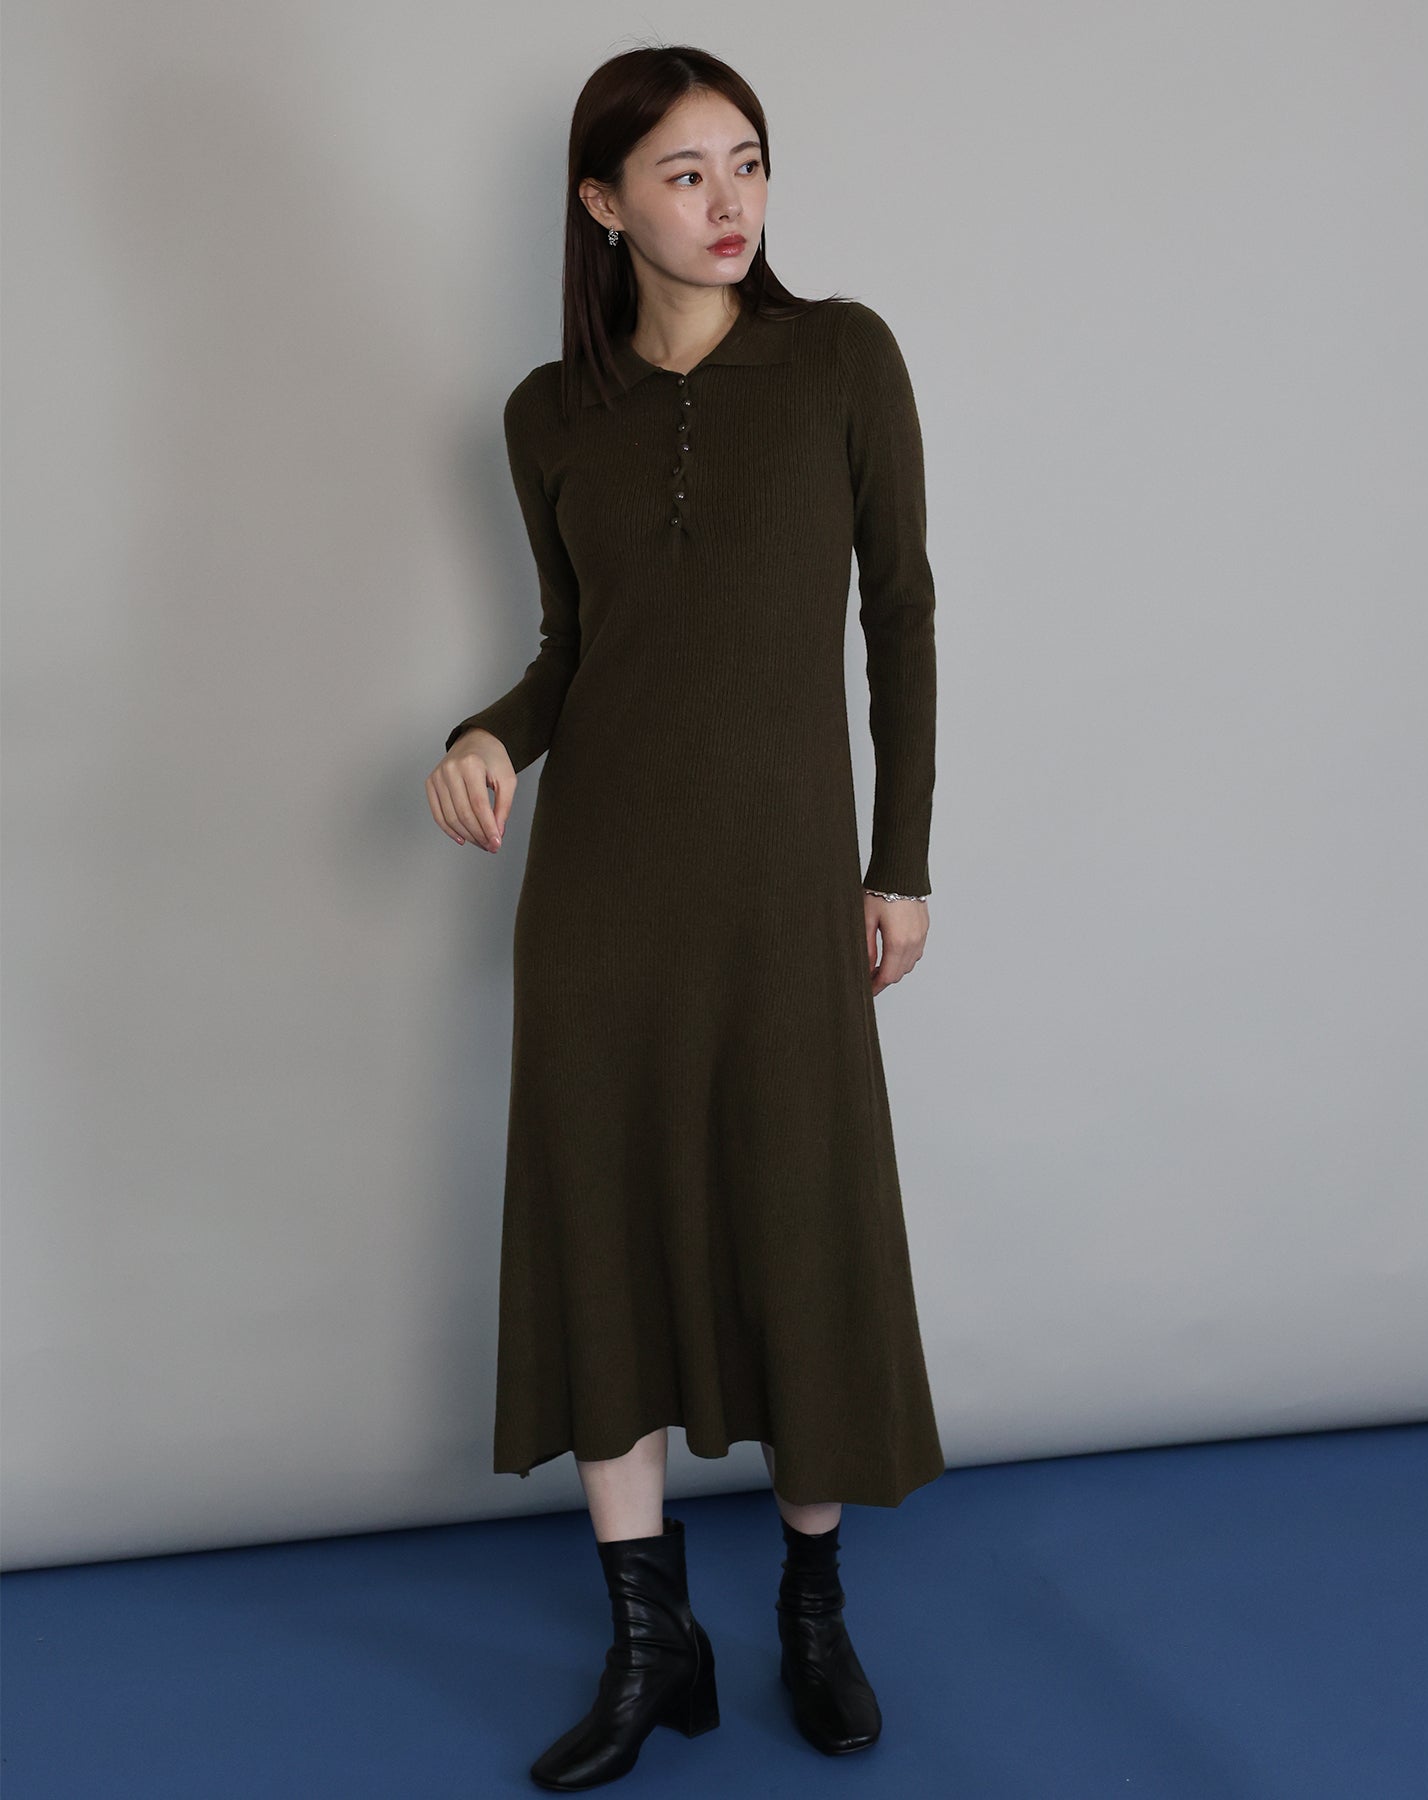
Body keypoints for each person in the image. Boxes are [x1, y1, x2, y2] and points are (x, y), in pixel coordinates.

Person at [425, 43, 945, 1790]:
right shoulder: (546, 417)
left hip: (785, 889)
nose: (731, 203)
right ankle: (653, 1639)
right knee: (603, 1232)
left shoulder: (845, 359)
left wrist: (899, 861)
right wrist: (486, 736)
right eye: (685, 173)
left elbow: (901, 617)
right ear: (602, 202)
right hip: (600, 900)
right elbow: (572, 651)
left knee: (796, 1223)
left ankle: (812, 1608)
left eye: (749, 163)